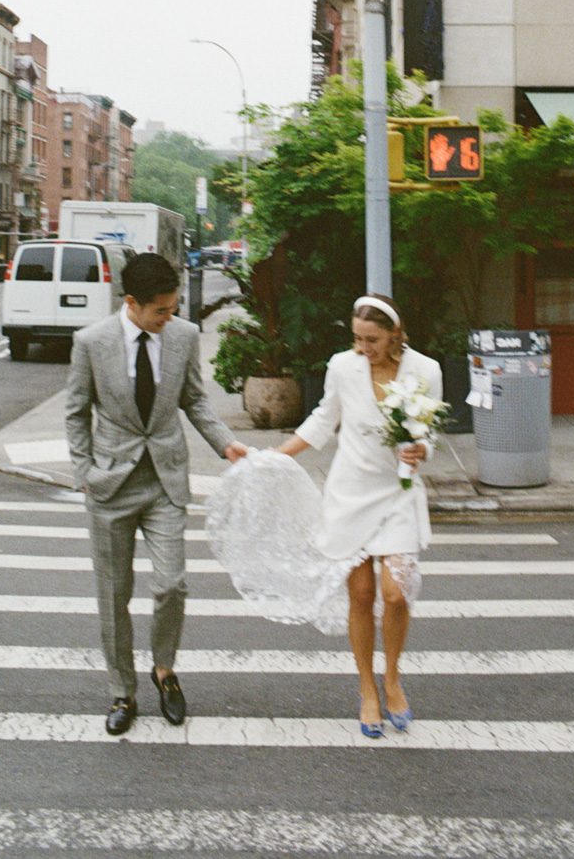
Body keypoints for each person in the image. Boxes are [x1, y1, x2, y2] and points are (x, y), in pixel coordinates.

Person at [65, 252, 247, 736]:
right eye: (161, 311)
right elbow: (76, 410)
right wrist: (84, 469)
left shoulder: (183, 337)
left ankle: (164, 672)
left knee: (171, 584)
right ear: (132, 303)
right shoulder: (91, 342)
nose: (170, 318)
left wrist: (226, 443)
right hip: (110, 484)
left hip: (165, 481)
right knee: (113, 594)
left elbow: (194, 399)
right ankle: (121, 691)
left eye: (173, 309)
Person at [277, 293, 441, 738]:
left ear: (395, 335)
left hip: (399, 492)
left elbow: (430, 434)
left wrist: (421, 448)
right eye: (357, 339)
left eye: (372, 339)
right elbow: (321, 421)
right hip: (350, 492)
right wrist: (275, 456)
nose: (363, 348)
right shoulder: (342, 366)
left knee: (396, 593)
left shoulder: (426, 370)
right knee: (362, 593)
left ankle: (393, 678)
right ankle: (367, 688)